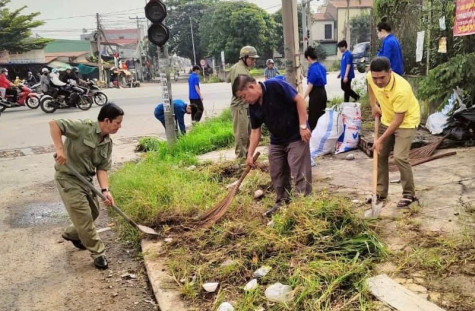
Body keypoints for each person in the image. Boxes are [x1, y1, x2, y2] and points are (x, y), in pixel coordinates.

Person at [49, 103, 124, 270]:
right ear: (106, 120)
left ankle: (72, 233)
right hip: (68, 178)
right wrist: (60, 149)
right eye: (117, 122)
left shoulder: (107, 143)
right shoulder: (83, 128)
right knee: (84, 218)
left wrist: (106, 190)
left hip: (86, 180)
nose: (120, 126)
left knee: (94, 212)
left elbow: (102, 168)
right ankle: (98, 253)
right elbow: (55, 124)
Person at [233, 74, 312, 217]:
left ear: (251, 87)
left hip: (296, 135)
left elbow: (299, 99)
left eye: (244, 96)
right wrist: (249, 155)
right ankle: (282, 203)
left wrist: (303, 125)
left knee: (299, 171)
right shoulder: (253, 105)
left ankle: (304, 206)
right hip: (277, 140)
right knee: (277, 172)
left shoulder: (275, 86)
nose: (245, 100)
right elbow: (255, 132)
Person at [367, 57, 420, 208]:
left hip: (406, 121)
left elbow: (398, 120)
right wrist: (373, 105)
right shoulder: (372, 78)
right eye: (375, 77)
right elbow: (370, 86)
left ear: (390, 72)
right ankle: (380, 193)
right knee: (380, 154)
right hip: (387, 118)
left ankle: (409, 194)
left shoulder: (401, 89)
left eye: (382, 77)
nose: (378, 81)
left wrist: (380, 139)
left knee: (399, 157)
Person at [226, 46, 259, 160]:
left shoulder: (238, 67)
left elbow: (228, 79)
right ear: (244, 58)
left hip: (244, 106)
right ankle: (240, 160)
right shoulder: (241, 70)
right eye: (252, 59)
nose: (254, 62)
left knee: (248, 133)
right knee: (242, 135)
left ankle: (246, 158)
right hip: (240, 106)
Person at [302, 46, 327, 131]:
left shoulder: (312, 68)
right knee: (322, 115)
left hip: (316, 94)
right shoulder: (322, 66)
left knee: (313, 117)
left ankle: (312, 137)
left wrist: (303, 97)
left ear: (308, 57)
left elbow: (310, 85)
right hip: (323, 92)